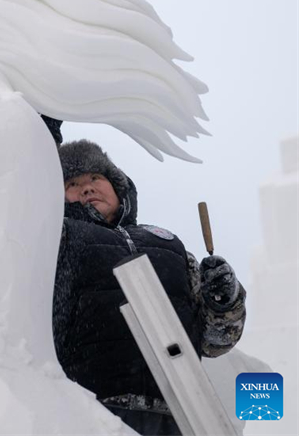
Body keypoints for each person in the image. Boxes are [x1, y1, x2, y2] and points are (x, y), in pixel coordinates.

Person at [51, 137, 246, 436]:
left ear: (118, 187)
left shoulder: (168, 244)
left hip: (182, 413)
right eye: (72, 183)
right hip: (95, 414)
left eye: (95, 177)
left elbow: (215, 341)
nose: (87, 187)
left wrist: (223, 299)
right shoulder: (58, 240)